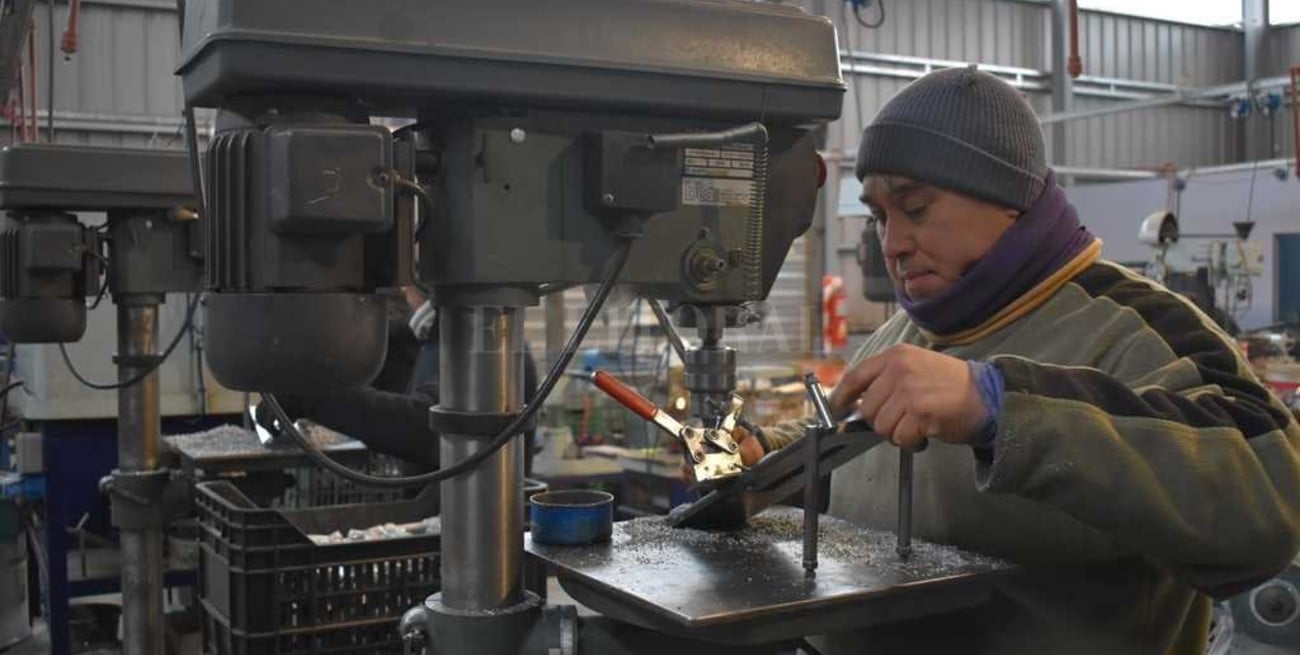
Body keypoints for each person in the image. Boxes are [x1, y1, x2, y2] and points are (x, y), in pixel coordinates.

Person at [734, 66, 1300, 654]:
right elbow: (854, 468)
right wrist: (768, 462)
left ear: (1007, 199)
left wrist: (1000, 408)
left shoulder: (1139, 328)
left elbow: (1272, 503)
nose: (893, 243)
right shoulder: (908, 331)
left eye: (916, 208)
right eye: (880, 217)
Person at [261, 287, 540, 474]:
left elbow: (427, 430)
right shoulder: (443, 336)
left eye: (407, 285)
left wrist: (308, 396)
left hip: (471, 535)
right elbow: (398, 404)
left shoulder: (487, 342)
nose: (404, 294)